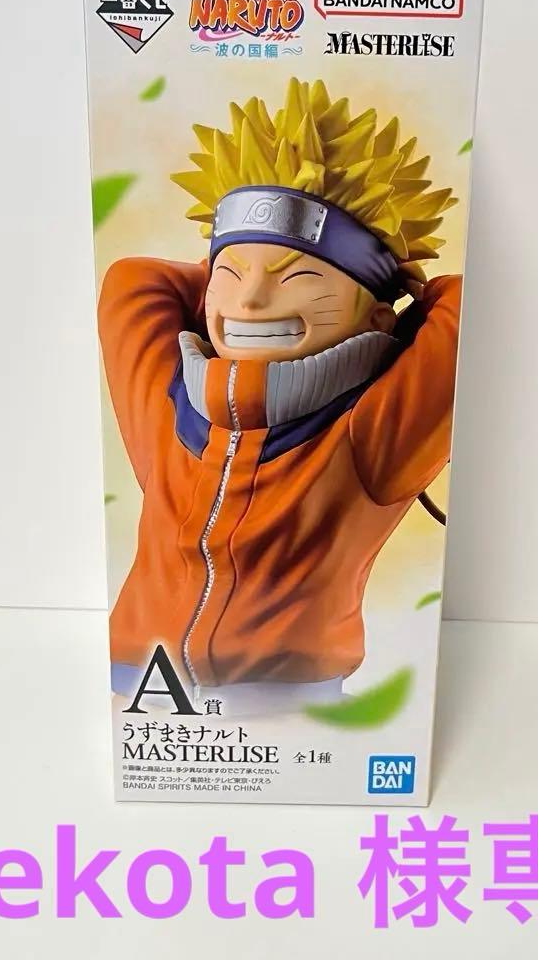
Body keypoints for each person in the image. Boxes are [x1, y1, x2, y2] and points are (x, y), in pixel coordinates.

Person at [99, 78, 462, 714]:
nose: (250, 300)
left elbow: (465, 307)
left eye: (297, 278)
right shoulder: (170, 403)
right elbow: (132, 281)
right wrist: (244, 251)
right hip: (136, 680)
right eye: (231, 275)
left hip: (286, 703)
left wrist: (396, 310)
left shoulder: (376, 431)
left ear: (378, 316)